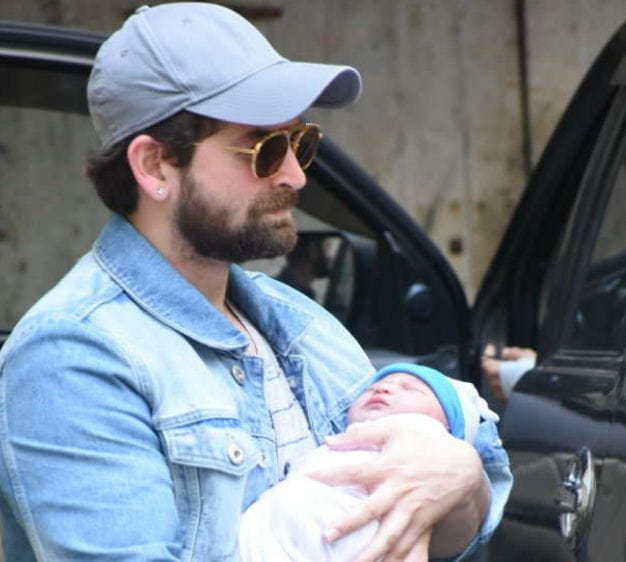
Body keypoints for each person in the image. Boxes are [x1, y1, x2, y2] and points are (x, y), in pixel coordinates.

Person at [0, 3, 511, 561]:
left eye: (301, 142)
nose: (295, 175)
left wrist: (462, 481)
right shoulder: (73, 356)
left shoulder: (297, 320)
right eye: (265, 150)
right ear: (153, 167)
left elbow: (436, 522)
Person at [238, 363, 500, 562]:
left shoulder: (430, 438)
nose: (383, 387)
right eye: (375, 385)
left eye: (410, 388)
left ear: (449, 426)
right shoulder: (334, 443)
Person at [276, 235, 332, 300]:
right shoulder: (276, 291)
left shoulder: (308, 294)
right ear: (312, 249)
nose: (329, 256)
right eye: (326, 245)